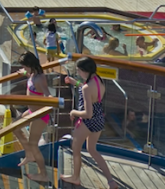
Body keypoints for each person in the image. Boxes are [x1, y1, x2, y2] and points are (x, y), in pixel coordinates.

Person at [61, 57, 118, 188]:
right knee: (92, 150)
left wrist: (74, 112)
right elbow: (89, 92)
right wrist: (74, 83)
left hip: (88, 121)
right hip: (99, 119)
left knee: (75, 148)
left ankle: (75, 177)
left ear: (83, 70)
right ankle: (110, 180)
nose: (78, 73)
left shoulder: (87, 87)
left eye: (78, 71)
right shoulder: (98, 80)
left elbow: (88, 113)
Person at [13, 52, 51, 184]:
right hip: (31, 111)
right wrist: (24, 73)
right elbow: (30, 76)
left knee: (34, 144)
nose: (24, 68)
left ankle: (44, 174)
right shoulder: (34, 74)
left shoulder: (40, 78)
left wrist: (50, 101)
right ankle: (29, 155)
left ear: (30, 65)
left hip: (39, 115)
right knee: (15, 128)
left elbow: (48, 95)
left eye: (25, 66)